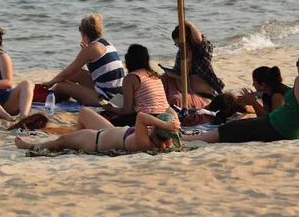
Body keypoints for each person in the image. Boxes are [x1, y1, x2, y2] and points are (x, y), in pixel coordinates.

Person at [183, 51, 299, 143]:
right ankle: (192, 138)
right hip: (280, 125)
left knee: (233, 128)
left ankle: (189, 140)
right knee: (243, 125)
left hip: (278, 126)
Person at [41, 14, 125, 106]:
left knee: (61, 85)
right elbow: (97, 73)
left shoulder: (92, 48)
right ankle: (60, 96)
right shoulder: (107, 44)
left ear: (83, 34)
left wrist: (50, 82)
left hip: (107, 99)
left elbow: (67, 73)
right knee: (77, 73)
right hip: (117, 96)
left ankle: (46, 98)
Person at [14, 107, 181, 152]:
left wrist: (166, 125)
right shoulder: (160, 139)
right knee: (85, 112)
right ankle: (75, 135)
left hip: (95, 140)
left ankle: (30, 146)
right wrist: (175, 122)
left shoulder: (146, 143)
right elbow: (169, 109)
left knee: (60, 142)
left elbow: (141, 117)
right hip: (110, 131)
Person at [101, 44, 170, 126]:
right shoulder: (154, 75)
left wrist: (111, 108)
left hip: (146, 118)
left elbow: (127, 110)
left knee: (105, 118)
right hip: (164, 116)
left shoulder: (131, 78)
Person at [162, 21, 225, 110]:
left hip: (205, 94)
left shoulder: (202, 52)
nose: (179, 47)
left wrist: (190, 25)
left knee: (175, 99)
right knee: (165, 77)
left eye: (181, 44)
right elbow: (178, 73)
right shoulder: (181, 54)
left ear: (189, 39)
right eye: (177, 45)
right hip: (186, 89)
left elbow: (199, 40)